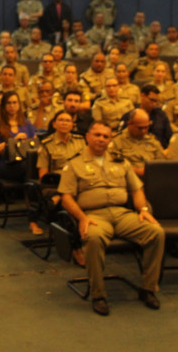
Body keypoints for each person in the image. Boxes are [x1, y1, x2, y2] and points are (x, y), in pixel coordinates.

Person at [58, 123, 165, 315]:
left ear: (110, 140)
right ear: (87, 138)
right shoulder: (74, 164)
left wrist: (142, 209)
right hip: (94, 216)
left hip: (121, 213)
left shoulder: (120, 162)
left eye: (106, 137)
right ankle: (98, 295)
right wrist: (81, 218)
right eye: (97, 135)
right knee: (94, 238)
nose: (101, 139)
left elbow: (136, 189)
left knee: (156, 232)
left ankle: (148, 289)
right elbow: (66, 197)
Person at [0, 91, 37, 183]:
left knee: (36, 164)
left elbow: (36, 147)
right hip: (7, 164)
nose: (12, 106)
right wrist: (13, 142)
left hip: (26, 160)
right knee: (28, 166)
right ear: (4, 106)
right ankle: (29, 194)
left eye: (15, 102)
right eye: (8, 103)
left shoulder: (27, 125)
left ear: (19, 105)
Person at [110, 109, 166, 177]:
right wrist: (136, 171)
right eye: (140, 128)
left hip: (153, 179)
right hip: (129, 180)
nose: (143, 131)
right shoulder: (117, 141)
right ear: (129, 124)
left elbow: (162, 164)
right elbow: (113, 167)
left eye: (146, 127)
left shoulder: (152, 141)